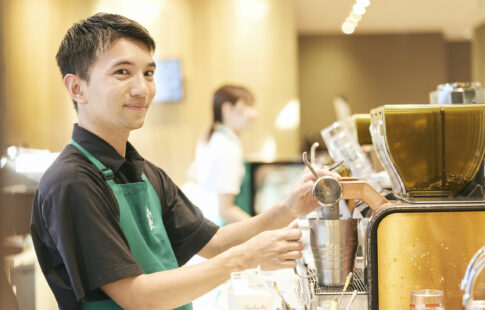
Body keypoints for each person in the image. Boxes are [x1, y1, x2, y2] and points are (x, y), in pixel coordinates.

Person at [30, 13, 336, 310]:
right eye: (122, 72)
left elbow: (214, 242)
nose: (142, 89)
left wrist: (289, 208)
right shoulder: (73, 181)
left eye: (148, 73)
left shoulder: (145, 172)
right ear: (76, 88)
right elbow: (138, 298)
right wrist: (245, 258)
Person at [194, 85, 257, 225]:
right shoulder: (227, 147)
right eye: (247, 106)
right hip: (226, 231)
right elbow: (225, 210)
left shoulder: (214, 139)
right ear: (227, 110)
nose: (254, 113)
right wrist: (261, 228)